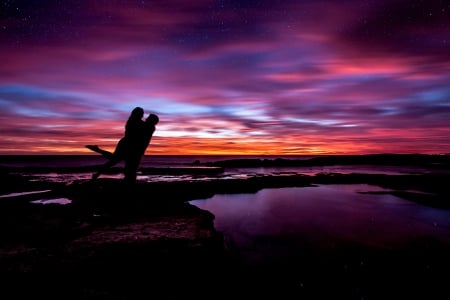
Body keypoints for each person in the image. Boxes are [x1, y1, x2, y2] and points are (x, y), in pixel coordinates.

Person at [86, 106, 145, 180]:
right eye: (141, 113)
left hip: (127, 144)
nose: (143, 115)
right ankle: (97, 171)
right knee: (114, 160)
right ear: (138, 114)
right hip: (127, 144)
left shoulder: (132, 121)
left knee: (114, 160)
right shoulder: (136, 122)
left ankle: (97, 173)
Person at [123, 113, 159, 185]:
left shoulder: (149, 127)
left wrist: (136, 118)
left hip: (137, 150)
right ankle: (129, 182)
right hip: (138, 149)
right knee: (131, 167)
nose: (146, 118)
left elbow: (140, 125)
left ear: (151, 120)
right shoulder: (149, 126)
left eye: (148, 118)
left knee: (131, 167)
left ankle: (129, 183)